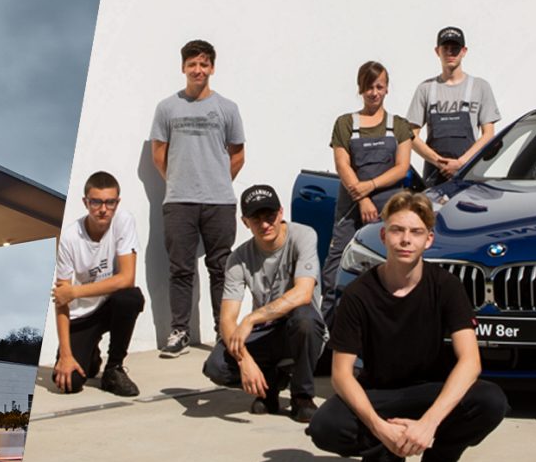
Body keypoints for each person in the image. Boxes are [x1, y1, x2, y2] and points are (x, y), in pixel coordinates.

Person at [306, 191, 508, 462]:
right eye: (397, 230)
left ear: (428, 240)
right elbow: (341, 375)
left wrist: (428, 424)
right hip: (379, 392)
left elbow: (470, 362)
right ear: (384, 236)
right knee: (325, 426)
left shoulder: (447, 286)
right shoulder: (359, 294)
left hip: (430, 389)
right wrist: (381, 429)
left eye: (415, 232)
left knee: (491, 400)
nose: (405, 240)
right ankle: (382, 455)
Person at [152, 39, 247, 358]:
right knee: (180, 269)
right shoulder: (167, 108)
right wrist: (179, 182)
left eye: (204, 64)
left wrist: (215, 181)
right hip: (179, 202)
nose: (198, 70)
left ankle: (224, 332)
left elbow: (238, 155)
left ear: (212, 68)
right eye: (192, 64)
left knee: (221, 268)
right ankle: (180, 331)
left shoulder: (227, 108)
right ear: (183, 68)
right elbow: (158, 154)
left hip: (220, 202)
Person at [201, 185, 323, 423]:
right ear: (245, 222)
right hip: (267, 331)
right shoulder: (238, 259)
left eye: (270, 216)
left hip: (299, 327)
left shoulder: (303, 235)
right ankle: (270, 383)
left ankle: (302, 396)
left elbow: (304, 293)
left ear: (281, 213)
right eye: (256, 219)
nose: (265, 224)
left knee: (305, 321)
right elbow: (227, 320)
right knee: (217, 366)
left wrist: (251, 318)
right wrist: (244, 360)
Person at [322, 61, 416, 316]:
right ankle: (330, 328)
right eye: (368, 87)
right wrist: (362, 199)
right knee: (335, 269)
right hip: (351, 208)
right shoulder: (345, 123)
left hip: (389, 209)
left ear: (387, 89)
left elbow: (402, 168)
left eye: (379, 87)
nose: (374, 93)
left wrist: (370, 186)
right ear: (360, 89)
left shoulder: (399, 125)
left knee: (391, 267)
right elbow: (342, 165)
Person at [52, 172, 146, 396]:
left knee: (130, 297)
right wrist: (66, 355)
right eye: (96, 202)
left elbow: (127, 278)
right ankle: (91, 354)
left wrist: (75, 291)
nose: (103, 209)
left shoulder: (123, 221)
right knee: (69, 383)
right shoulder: (70, 237)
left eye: (109, 202)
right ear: (85, 202)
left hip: (110, 306)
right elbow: (62, 299)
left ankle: (114, 369)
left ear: (117, 202)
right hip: (82, 316)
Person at [406, 26, 500, 187]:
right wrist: (439, 162)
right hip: (434, 175)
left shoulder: (480, 87)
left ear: (464, 51)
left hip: (469, 173)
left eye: (455, 48)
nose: (450, 53)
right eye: (445, 48)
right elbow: (410, 135)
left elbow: (488, 134)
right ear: (437, 51)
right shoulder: (426, 88)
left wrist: (462, 163)